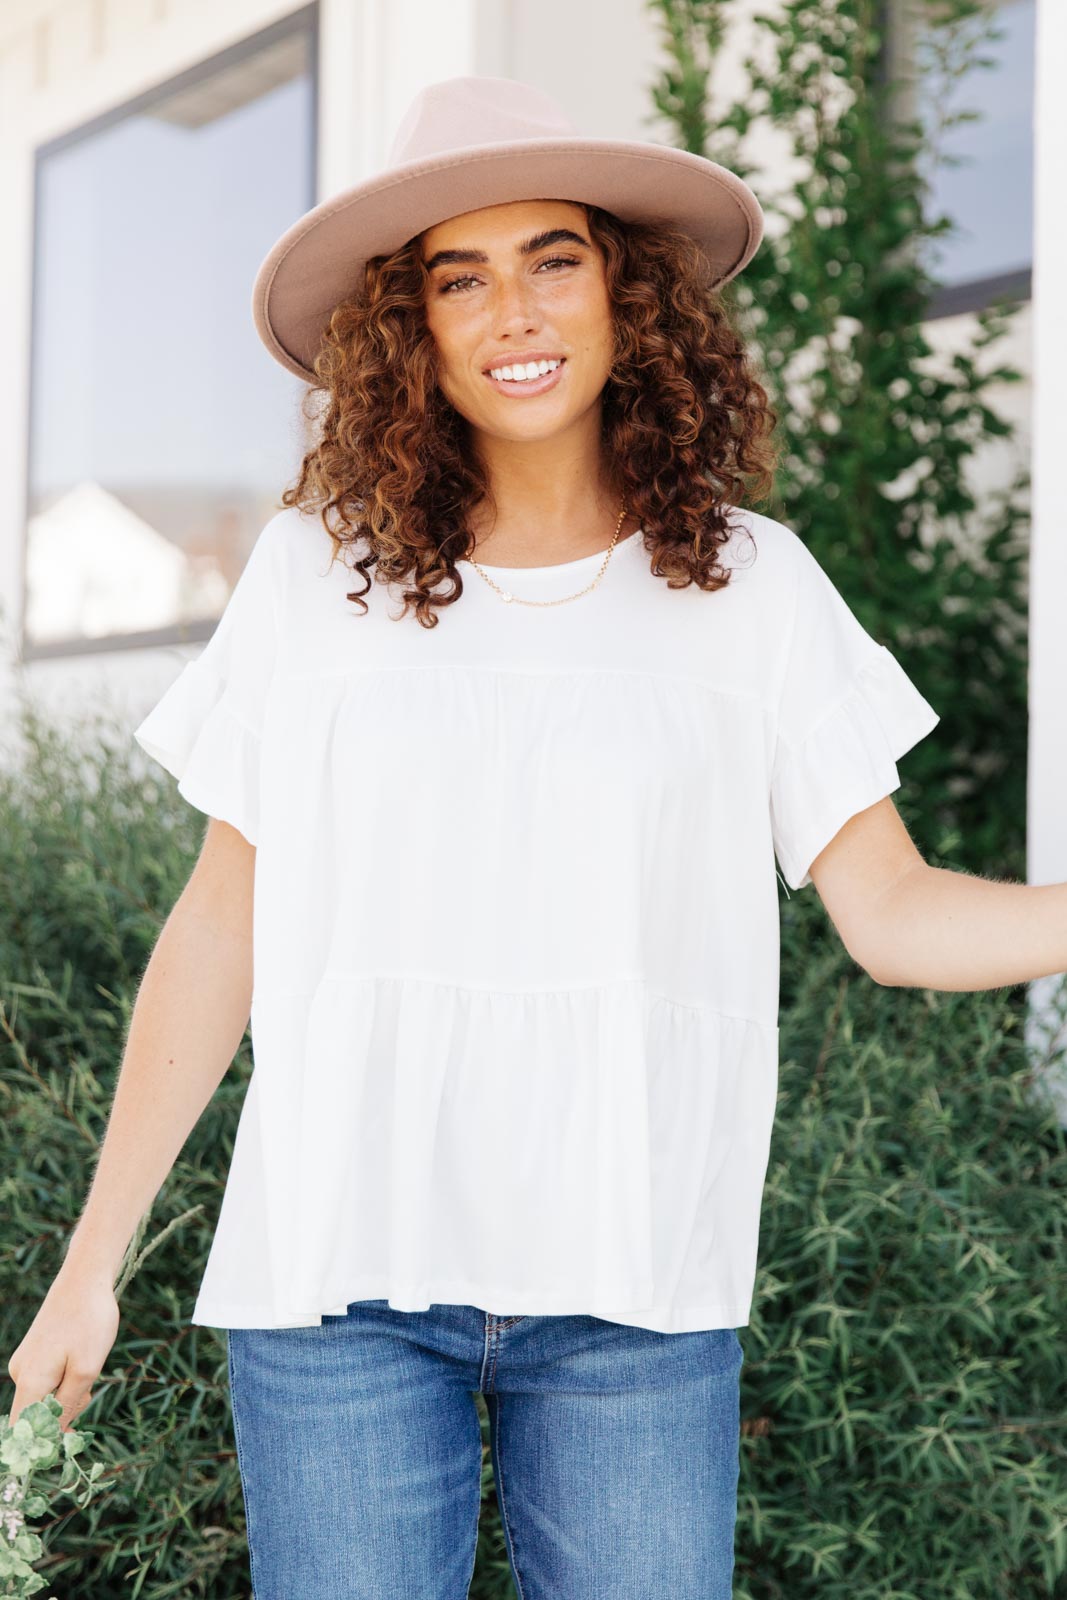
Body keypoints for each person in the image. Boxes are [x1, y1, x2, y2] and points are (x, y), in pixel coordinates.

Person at [10, 73, 987, 1599]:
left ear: (628, 294)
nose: (512, 311)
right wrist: (91, 1268)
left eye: (554, 259)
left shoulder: (753, 589)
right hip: (336, 1283)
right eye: (458, 278)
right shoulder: (314, 579)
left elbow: (897, 915)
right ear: (412, 327)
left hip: (635, 1288)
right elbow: (220, 928)